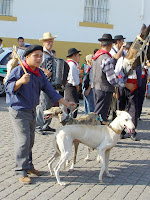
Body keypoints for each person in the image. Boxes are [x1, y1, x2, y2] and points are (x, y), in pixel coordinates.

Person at [5, 45, 76, 184]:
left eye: (40, 56)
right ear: (27, 57)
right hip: (18, 111)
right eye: (35, 55)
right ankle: (20, 171)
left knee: (30, 140)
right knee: (23, 141)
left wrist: (66, 103)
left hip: (31, 109)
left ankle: (29, 166)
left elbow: (50, 91)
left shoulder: (39, 73)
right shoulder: (19, 70)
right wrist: (20, 81)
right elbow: (8, 87)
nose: (39, 59)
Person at [92, 34, 126, 121]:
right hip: (105, 90)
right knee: (101, 116)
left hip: (96, 88)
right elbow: (112, 79)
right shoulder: (106, 58)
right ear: (111, 45)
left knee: (98, 113)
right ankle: (96, 133)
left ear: (101, 45)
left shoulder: (96, 57)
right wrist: (122, 84)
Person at [117, 42, 140, 141]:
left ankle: (132, 131)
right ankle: (121, 131)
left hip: (133, 85)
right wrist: (125, 83)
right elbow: (117, 73)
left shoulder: (136, 60)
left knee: (133, 108)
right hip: (124, 85)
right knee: (121, 108)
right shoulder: (122, 60)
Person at [36, 32, 57, 135]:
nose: (50, 43)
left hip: (51, 84)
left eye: (51, 41)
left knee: (50, 106)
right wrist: (44, 70)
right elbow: (36, 66)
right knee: (43, 105)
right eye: (48, 41)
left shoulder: (51, 54)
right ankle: (38, 126)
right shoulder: (41, 53)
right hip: (43, 83)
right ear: (44, 42)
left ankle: (46, 125)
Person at [65, 48, 81, 118]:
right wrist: (77, 86)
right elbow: (73, 78)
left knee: (68, 104)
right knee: (74, 104)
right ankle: (72, 120)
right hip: (71, 86)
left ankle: (68, 119)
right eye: (78, 55)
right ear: (74, 55)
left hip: (68, 86)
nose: (79, 57)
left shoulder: (69, 63)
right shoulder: (72, 64)